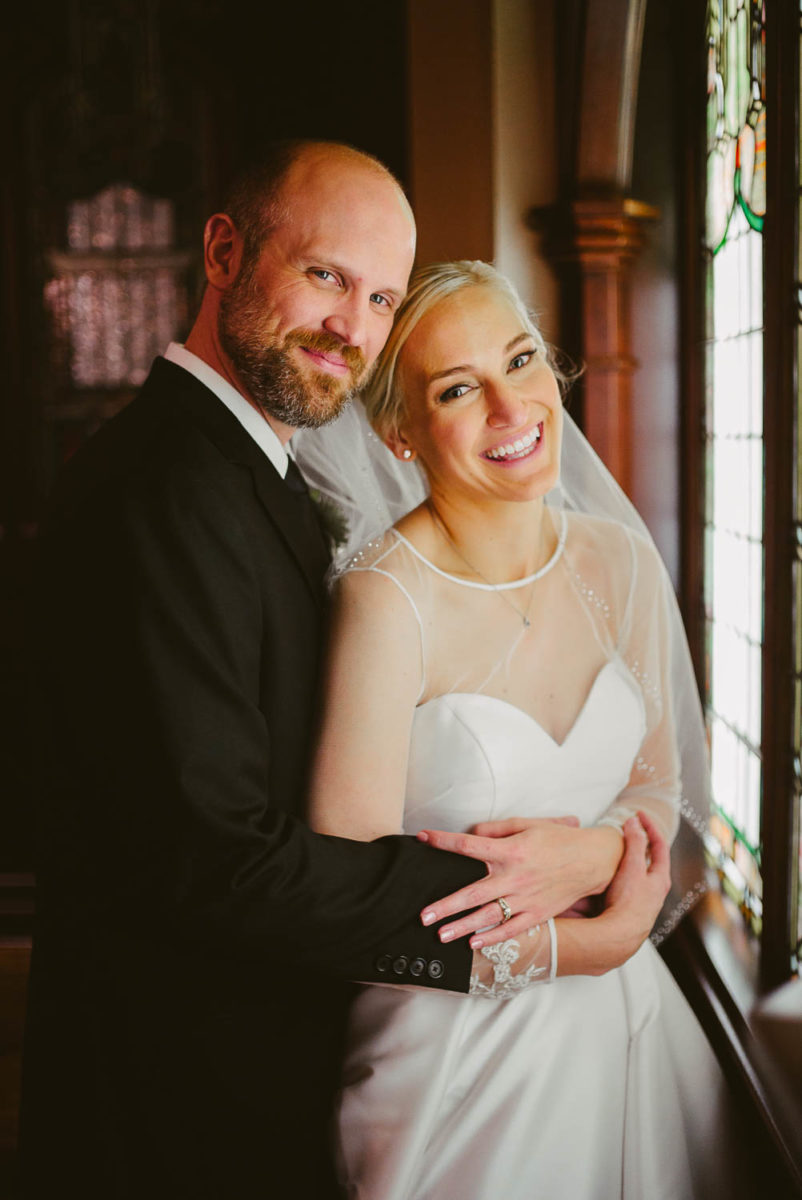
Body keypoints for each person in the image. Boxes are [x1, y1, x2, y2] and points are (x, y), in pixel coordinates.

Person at [19, 143, 670, 1200]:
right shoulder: (165, 493)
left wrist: (595, 860)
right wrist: (540, 926)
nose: (351, 326)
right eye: (325, 276)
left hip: (262, 1067)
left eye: (380, 297)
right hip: (175, 1100)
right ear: (224, 251)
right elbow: (217, 859)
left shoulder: (250, 473)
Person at [300, 260, 729, 1199]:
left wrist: (595, 855)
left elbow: (663, 783)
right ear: (400, 433)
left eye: (522, 359)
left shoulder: (618, 560)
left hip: (631, 1026)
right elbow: (342, 891)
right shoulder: (384, 602)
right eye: (458, 388)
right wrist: (572, 949)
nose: (510, 405)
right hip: (458, 1049)